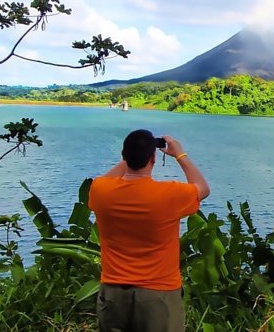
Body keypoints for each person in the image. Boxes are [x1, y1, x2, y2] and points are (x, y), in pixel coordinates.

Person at [88, 129, 210, 332]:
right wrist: (180, 155)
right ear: (153, 158)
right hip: (158, 295)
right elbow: (202, 188)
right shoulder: (170, 194)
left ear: (123, 156)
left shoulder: (100, 190)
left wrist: (132, 154)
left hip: (113, 294)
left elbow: (103, 180)